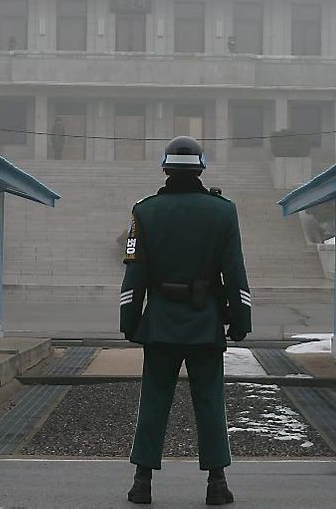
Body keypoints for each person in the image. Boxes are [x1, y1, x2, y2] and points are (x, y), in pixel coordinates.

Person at [119, 136, 252, 505]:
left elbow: (134, 274)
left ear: (165, 168)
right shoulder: (223, 212)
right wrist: (241, 318)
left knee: (154, 402)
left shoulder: (143, 212)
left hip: (160, 321)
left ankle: (142, 482)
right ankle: (217, 483)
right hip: (205, 320)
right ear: (201, 168)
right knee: (210, 402)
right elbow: (235, 272)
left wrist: (129, 320)